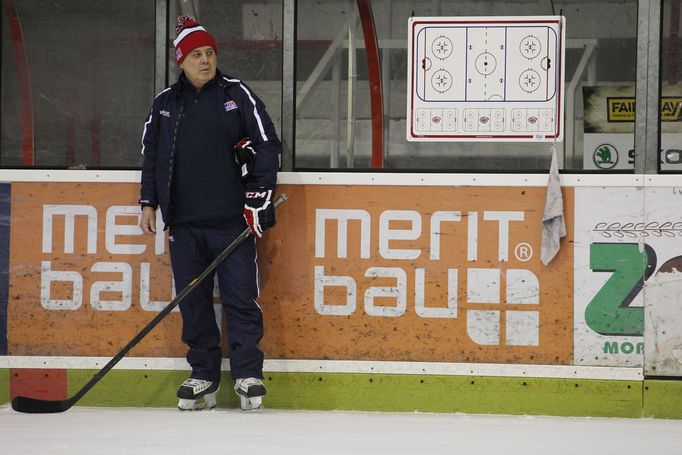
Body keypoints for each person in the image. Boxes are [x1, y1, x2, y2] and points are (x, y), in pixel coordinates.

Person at [139, 15, 280, 411]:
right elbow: (151, 156)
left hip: (232, 222)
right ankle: (203, 375)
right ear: (181, 60)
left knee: (240, 298)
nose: (206, 60)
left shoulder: (237, 94)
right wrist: (148, 200)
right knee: (194, 301)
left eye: (210, 52)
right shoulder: (165, 104)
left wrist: (258, 194)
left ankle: (248, 374)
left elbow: (267, 145)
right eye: (197, 54)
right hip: (183, 223)